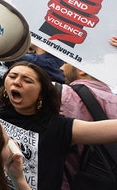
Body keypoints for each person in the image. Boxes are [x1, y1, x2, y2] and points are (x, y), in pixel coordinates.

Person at [0, 61, 117, 190]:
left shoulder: (58, 128)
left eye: (27, 80)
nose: (17, 82)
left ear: (41, 94)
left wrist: (18, 180)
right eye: (12, 76)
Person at [58, 62, 117, 190]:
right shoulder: (114, 101)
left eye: (66, 63)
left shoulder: (61, 95)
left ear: (81, 69)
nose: (61, 67)